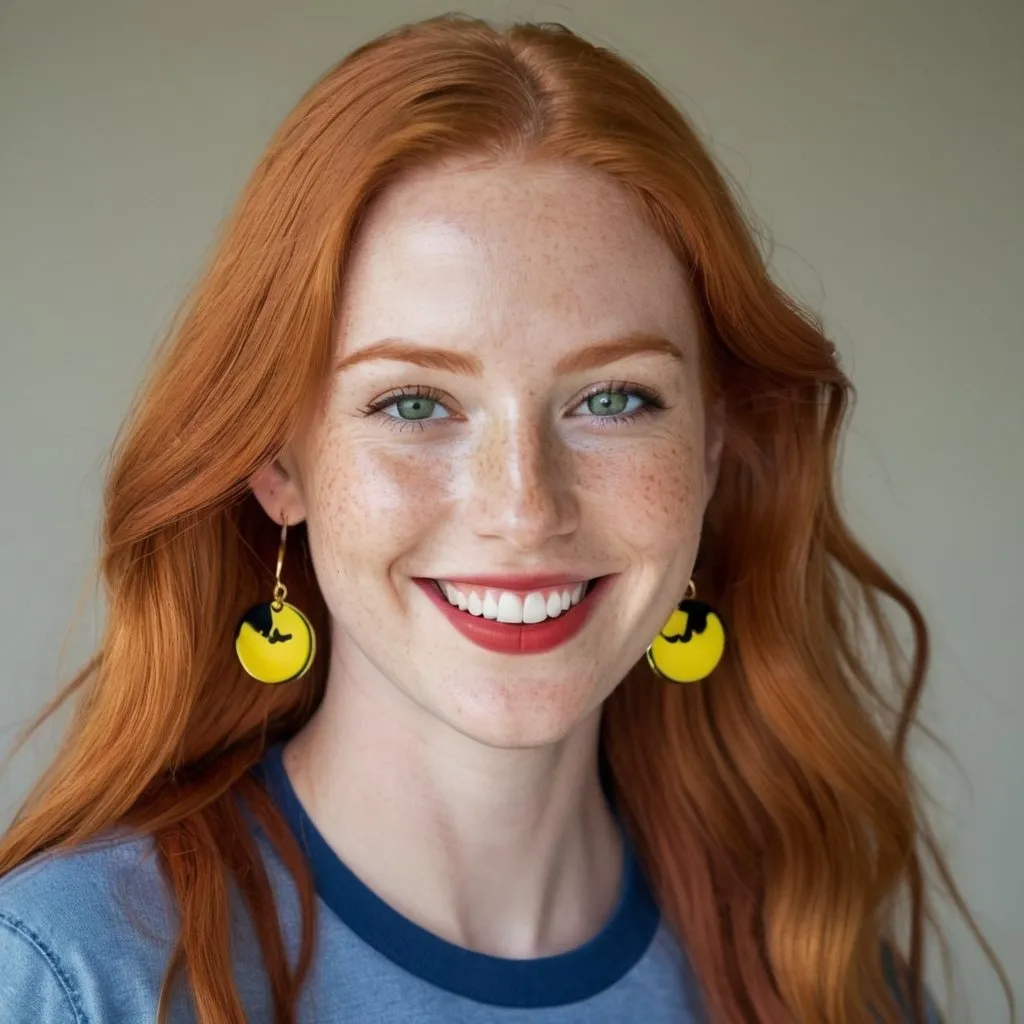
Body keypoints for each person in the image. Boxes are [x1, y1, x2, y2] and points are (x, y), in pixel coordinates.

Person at [0, 14, 1010, 1024]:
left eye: (613, 398)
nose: (523, 509)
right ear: (276, 461)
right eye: (413, 403)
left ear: (710, 448)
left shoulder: (826, 981)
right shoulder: (73, 975)